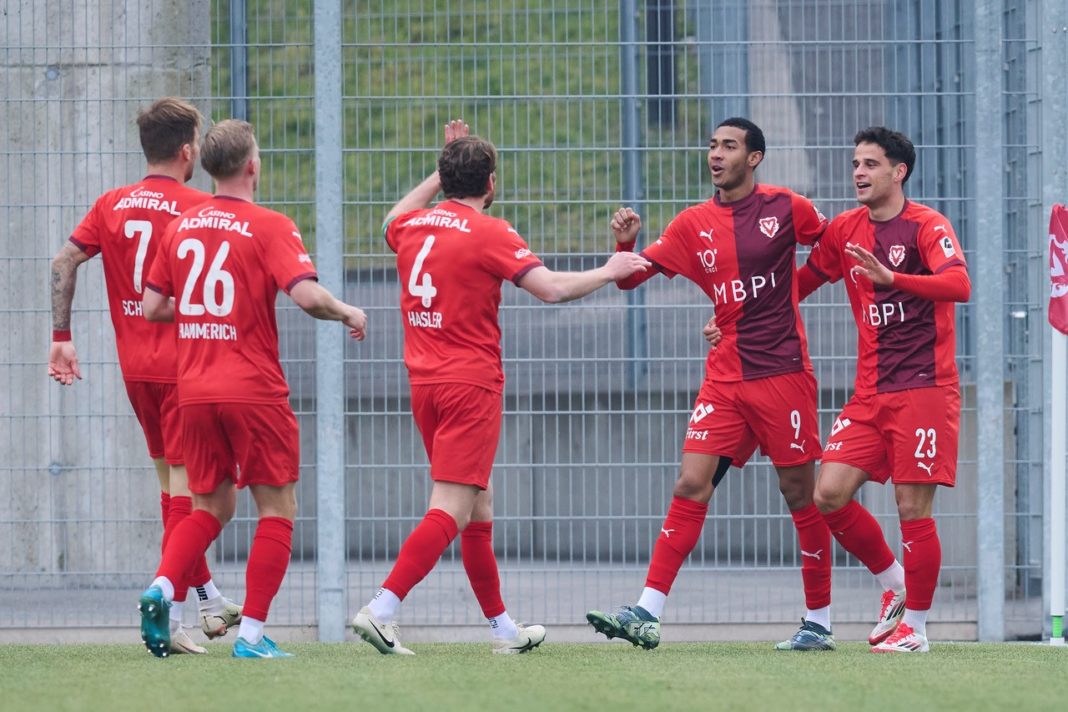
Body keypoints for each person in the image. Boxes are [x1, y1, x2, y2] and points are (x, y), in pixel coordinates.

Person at [350, 120, 651, 655]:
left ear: (445, 182)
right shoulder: (491, 231)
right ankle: (382, 607)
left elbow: (390, 218)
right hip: (470, 384)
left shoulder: (415, 227)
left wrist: (438, 169)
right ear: (491, 183)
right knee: (450, 506)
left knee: (477, 507)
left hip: (425, 384)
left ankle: (503, 630)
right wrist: (609, 269)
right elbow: (553, 290)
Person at [586, 117, 837, 651]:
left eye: (729, 146)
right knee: (690, 483)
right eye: (712, 146)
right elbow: (631, 277)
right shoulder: (691, 223)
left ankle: (819, 621)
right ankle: (647, 611)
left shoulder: (787, 207)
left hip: (782, 374)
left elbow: (834, 249)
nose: (716, 155)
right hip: (724, 378)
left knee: (799, 493)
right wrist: (624, 242)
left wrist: (788, 295)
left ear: (755, 158)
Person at [136, 119, 368, 658]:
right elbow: (308, 298)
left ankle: (162, 590)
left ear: (209, 167)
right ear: (252, 166)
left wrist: (199, 315)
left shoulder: (182, 226)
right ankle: (252, 637)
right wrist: (348, 311)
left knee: (209, 507)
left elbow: (152, 307)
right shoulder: (269, 225)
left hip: (192, 388)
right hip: (252, 389)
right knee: (277, 508)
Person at [48, 97, 241, 654]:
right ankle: (171, 609)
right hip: (189, 371)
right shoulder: (202, 206)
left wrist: (62, 339)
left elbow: (63, 262)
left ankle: (205, 599)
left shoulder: (111, 204)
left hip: (137, 371)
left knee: (170, 489)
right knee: (199, 500)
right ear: (188, 152)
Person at [798, 127, 970, 653]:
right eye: (855, 163)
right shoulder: (846, 230)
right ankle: (894, 583)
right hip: (869, 393)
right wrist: (734, 318)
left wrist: (894, 279)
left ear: (899, 172)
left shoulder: (926, 225)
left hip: (924, 389)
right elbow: (803, 281)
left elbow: (959, 284)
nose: (858, 173)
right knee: (827, 494)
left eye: (871, 164)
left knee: (911, 508)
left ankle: (916, 629)